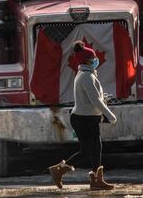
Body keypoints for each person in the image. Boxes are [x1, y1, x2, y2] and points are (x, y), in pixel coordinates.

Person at [48, 41, 117, 190]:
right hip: (83, 119)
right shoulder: (86, 76)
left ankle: (97, 180)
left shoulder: (86, 74)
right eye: (93, 57)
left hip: (89, 118)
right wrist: (110, 115)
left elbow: (93, 98)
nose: (96, 59)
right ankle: (58, 170)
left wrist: (102, 99)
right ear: (87, 60)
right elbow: (94, 100)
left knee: (97, 148)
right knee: (86, 151)